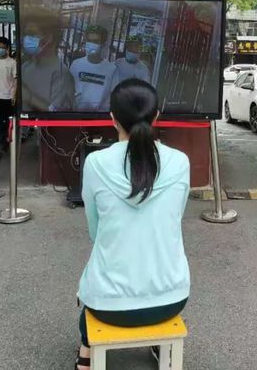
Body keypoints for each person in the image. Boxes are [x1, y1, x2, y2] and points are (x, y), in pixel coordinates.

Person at [75, 79, 190, 370]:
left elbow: (94, 231)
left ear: (112, 119)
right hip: (172, 298)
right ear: (157, 116)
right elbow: (174, 220)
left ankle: (85, 358)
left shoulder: (96, 163)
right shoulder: (180, 162)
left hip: (107, 306)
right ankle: (157, 345)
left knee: (91, 289)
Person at [21, 21, 75, 112]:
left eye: (31, 34)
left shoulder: (61, 73)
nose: (26, 39)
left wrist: (30, 98)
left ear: (48, 38)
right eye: (26, 34)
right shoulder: (26, 66)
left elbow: (58, 113)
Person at [69, 26, 116, 112]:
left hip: (99, 119)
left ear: (103, 44)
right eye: (89, 41)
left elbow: (114, 97)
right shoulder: (76, 64)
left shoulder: (111, 69)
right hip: (76, 115)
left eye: (95, 41)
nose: (91, 44)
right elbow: (69, 90)